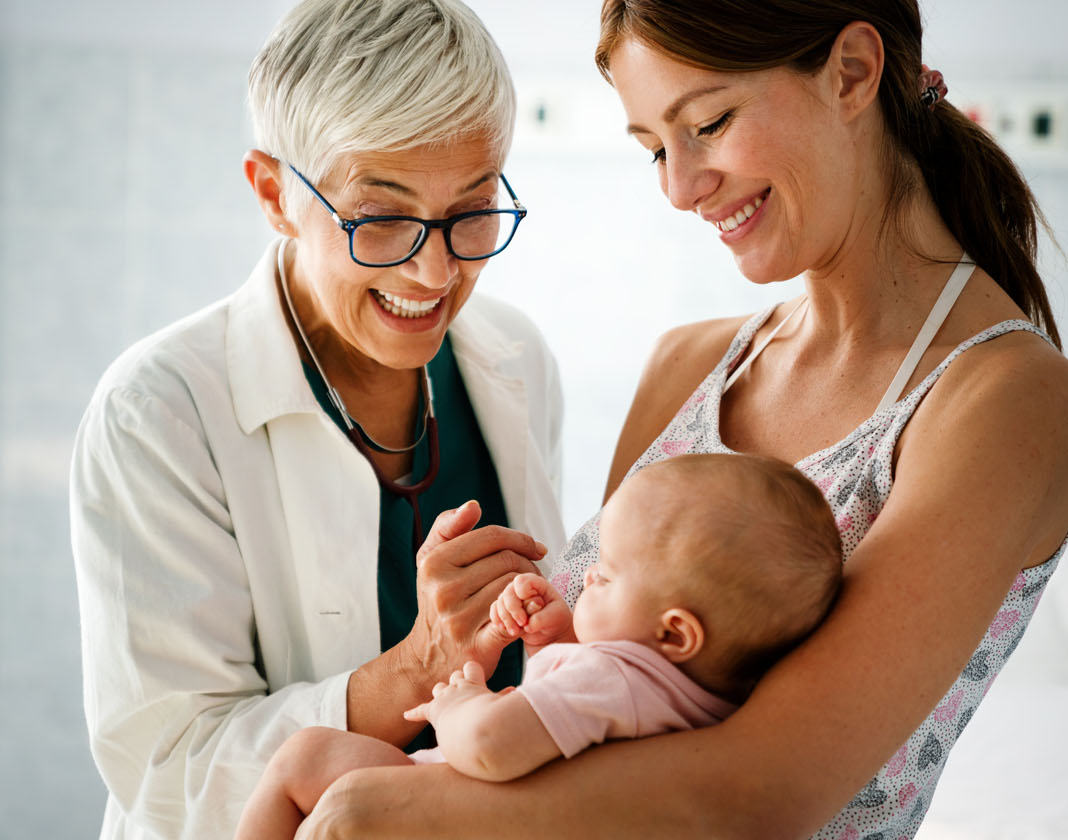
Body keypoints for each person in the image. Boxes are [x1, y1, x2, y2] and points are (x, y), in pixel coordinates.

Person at [295, 1, 1068, 838]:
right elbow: (599, 692)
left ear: (852, 72)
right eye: (656, 148)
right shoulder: (689, 367)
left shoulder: (1006, 397)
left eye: (708, 122)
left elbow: (766, 789)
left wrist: (406, 808)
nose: (678, 186)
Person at [67, 1, 566, 836]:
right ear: (273, 193)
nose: (436, 268)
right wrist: (417, 670)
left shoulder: (513, 356)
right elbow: (167, 772)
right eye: (383, 218)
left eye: (472, 210)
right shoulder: (157, 411)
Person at [237, 453, 843, 839]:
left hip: (450, 811)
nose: (586, 579)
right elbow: (573, 719)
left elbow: (492, 746)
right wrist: (559, 635)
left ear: (675, 632)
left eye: (604, 575)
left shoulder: (614, 678)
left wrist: (460, 705)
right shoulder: (687, 696)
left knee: (305, 757)